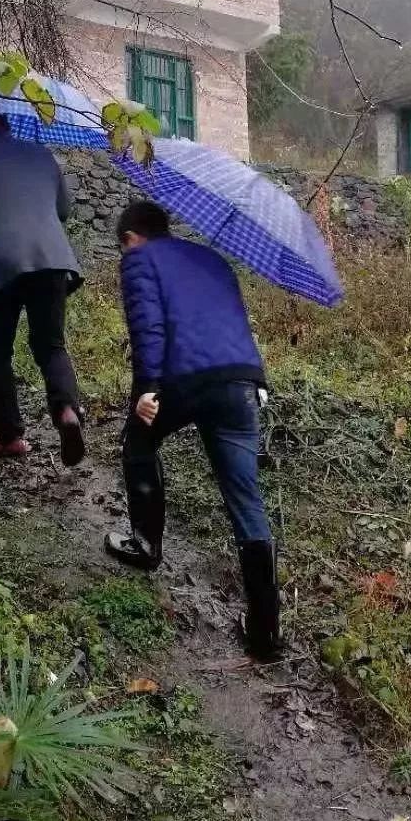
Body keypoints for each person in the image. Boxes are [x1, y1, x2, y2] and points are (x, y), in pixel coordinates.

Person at [105, 200, 281, 661]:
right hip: (241, 381)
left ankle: (145, 545)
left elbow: (149, 326)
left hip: (186, 380)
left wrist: (146, 389)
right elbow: (230, 324)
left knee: (138, 440)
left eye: (122, 247)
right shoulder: (212, 259)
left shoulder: (139, 259)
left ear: (130, 238)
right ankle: (266, 633)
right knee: (246, 499)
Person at [0, 113, 85, 465]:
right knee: (50, 344)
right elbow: (63, 210)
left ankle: (9, 437)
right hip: (49, 259)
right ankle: (67, 411)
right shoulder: (41, 154)